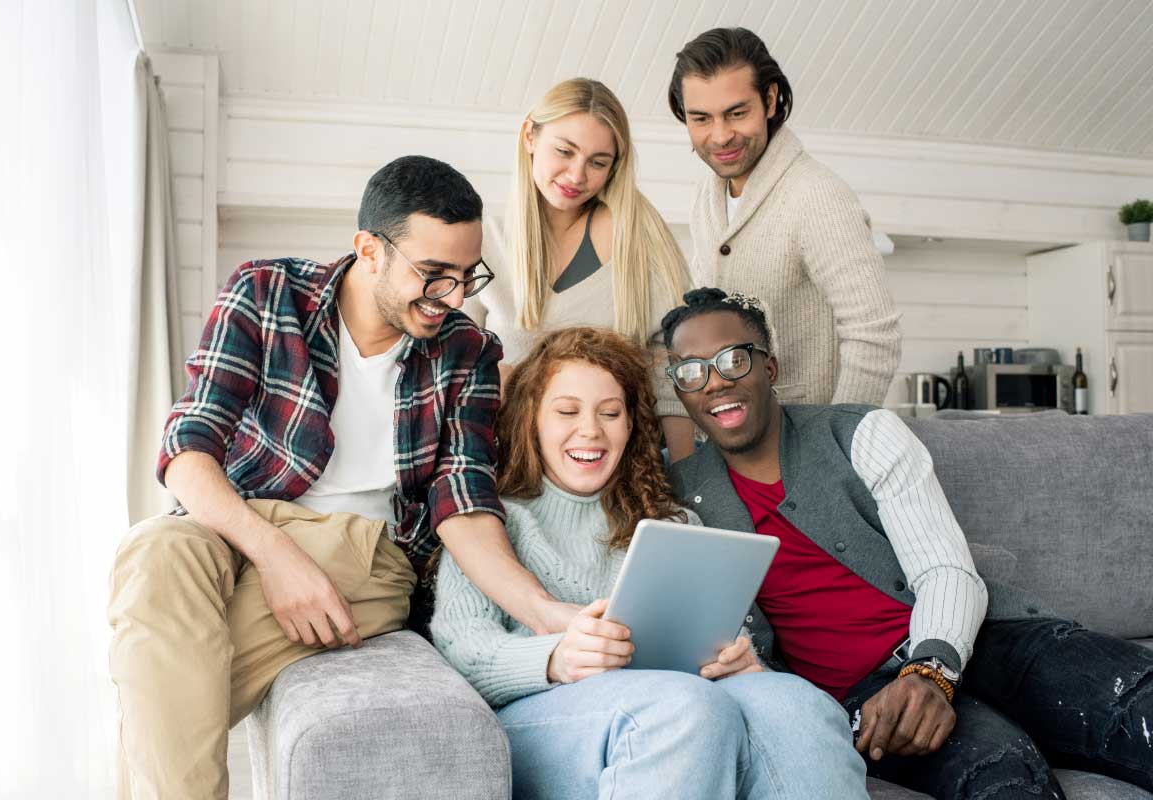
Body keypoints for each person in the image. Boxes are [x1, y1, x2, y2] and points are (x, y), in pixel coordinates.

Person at [107, 156, 583, 799]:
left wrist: (548, 613)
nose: (452, 297)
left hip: (367, 550)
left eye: (467, 277)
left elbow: (464, 503)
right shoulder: (266, 293)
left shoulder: (467, 351)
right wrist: (276, 557)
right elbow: (188, 451)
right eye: (433, 274)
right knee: (153, 549)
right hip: (242, 526)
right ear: (369, 249)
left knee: (158, 689)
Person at [662, 287, 1153, 799]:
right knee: (1003, 780)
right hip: (869, 698)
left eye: (733, 359)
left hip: (986, 640)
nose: (715, 381)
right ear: (680, 388)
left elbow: (945, 570)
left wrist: (931, 670)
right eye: (691, 370)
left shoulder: (861, 434)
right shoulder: (681, 499)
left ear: (770, 368)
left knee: (1137, 704)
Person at [431, 326, 868, 800]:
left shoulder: (675, 521)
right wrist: (554, 658)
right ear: (530, 420)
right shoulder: (488, 524)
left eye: (610, 413)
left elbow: (715, 634)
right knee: (684, 706)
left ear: (631, 425)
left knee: (800, 703)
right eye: (567, 411)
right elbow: (464, 650)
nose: (591, 430)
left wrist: (741, 658)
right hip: (544, 714)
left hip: (677, 697)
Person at [463, 77, 696, 461]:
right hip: (503, 463)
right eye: (564, 151)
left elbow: (672, 372)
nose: (576, 175)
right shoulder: (483, 238)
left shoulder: (639, 236)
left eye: (597, 162)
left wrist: (688, 478)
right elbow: (454, 372)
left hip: (612, 468)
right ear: (529, 136)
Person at [668, 27, 901, 409]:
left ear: (771, 100)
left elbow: (875, 335)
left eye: (737, 113)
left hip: (806, 441)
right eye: (701, 119)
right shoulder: (703, 198)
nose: (720, 135)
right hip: (732, 444)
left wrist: (836, 441)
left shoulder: (816, 195)